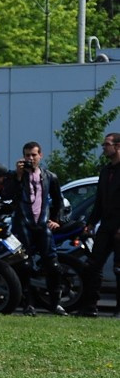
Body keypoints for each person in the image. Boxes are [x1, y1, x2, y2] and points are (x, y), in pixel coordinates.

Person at [2, 142, 67, 317]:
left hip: (42, 224)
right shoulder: (15, 175)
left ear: (40, 156)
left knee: (53, 265)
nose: (30, 159)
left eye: (33, 155)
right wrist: (18, 176)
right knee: (24, 265)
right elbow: (6, 195)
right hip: (22, 225)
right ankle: (28, 304)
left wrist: (56, 219)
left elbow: (58, 200)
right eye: (27, 155)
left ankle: (56, 303)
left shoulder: (49, 177)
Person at [78, 132, 120, 317]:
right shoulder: (105, 171)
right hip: (105, 226)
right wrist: (90, 223)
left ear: (118, 146)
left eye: (107, 144)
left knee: (119, 268)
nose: (104, 147)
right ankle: (90, 308)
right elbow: (99, 201)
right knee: (92, 266)